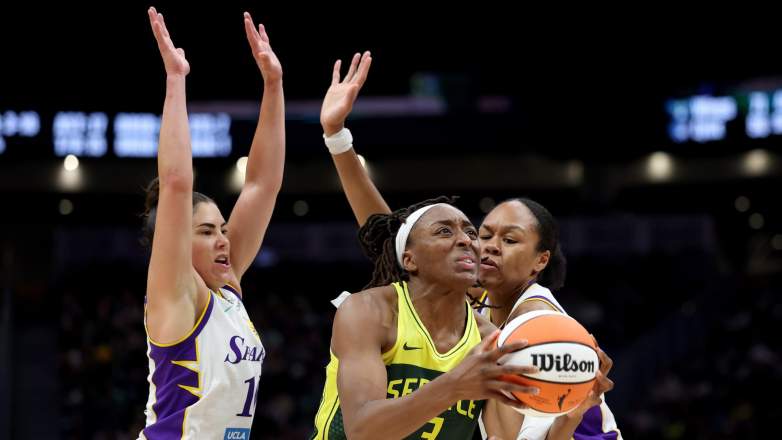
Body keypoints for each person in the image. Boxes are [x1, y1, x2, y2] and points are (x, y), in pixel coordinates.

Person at [318, 52, 620, 440]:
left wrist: (571, 414)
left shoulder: (530, 320)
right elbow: (391, 236)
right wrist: (338, 139)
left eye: (509, 240)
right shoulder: (460, 302)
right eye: (485, 234)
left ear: (538, 262)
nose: (482, 246)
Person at [138, 7, 284, 439]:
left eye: (222, 228)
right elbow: (177, 183)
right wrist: (176, 80)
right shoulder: (175, 295)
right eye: (206, 231)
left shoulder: (227, 289)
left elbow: (261, 185)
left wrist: (273, 86)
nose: (224, 239)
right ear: (174, 240)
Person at [311, 198, 540, 439]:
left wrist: (568, 410)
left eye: (472, 233)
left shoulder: (489, 340)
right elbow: (362, 430)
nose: (466, 240)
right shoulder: (368, 311)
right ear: (410, 259)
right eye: (444, 231)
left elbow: (505, 435)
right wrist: (453, 386)